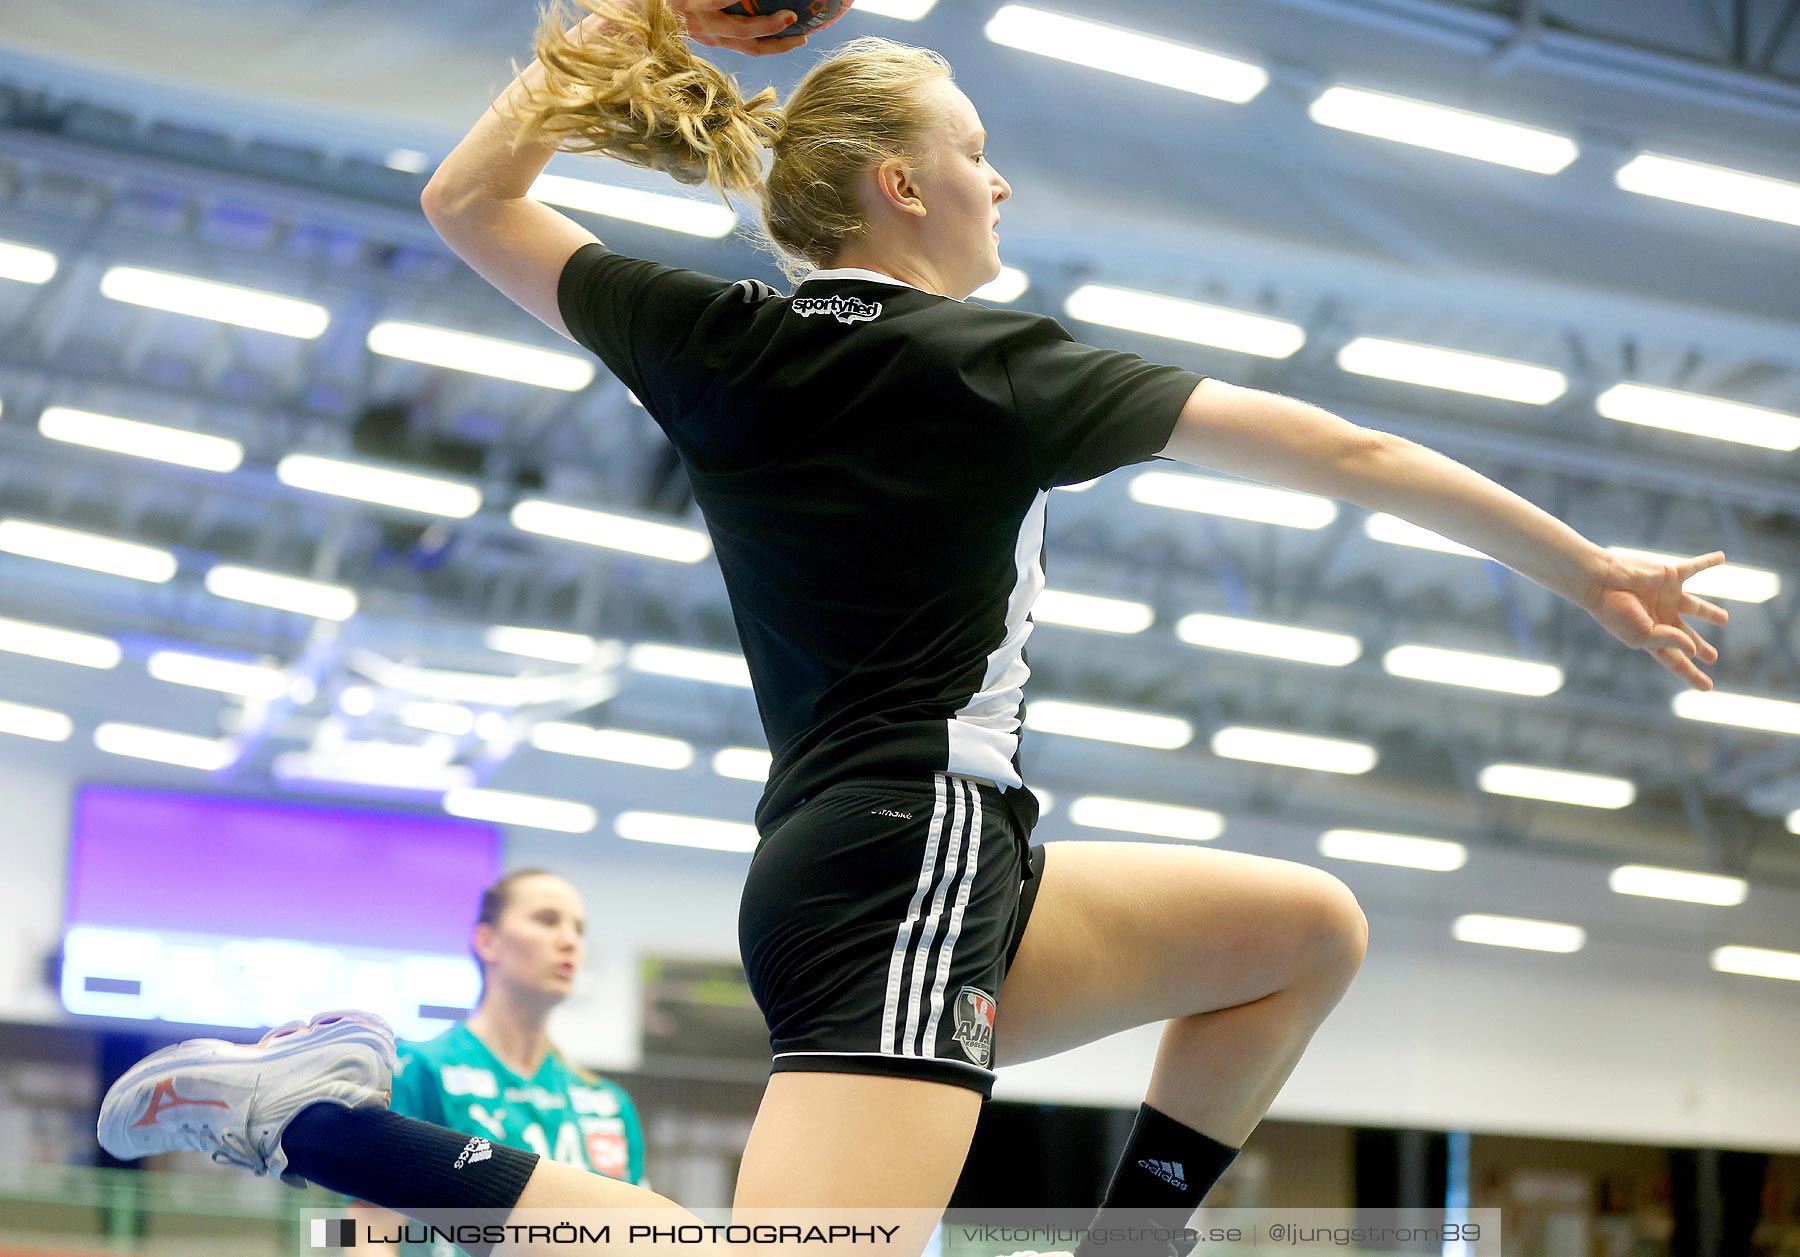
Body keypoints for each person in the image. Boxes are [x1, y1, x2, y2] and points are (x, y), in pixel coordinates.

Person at [98, 2, 1730, 1254]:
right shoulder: (990, 363)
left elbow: (470, 198)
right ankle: (334, 1129)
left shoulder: (718, 336)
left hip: (910, 854)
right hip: (913, 858)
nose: (997, 174)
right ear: (901, 186)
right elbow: (1349, 451)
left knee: (1304, 928)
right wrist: (1587, 566)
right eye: (974, 147)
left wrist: (626, 22)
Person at [351, 869, 646, 1253]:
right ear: (487, 941)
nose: (570, 940)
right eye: (546, 920)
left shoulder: (608, 1104)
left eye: (578, 929)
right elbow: (364, 1231)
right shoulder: (420, 1071)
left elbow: (633, 1239)